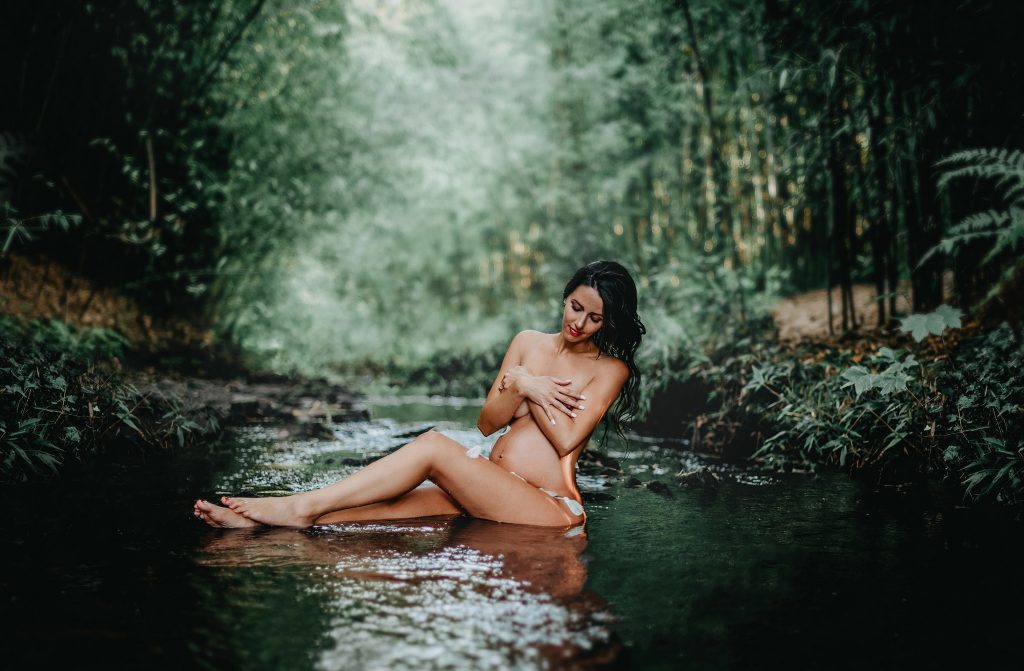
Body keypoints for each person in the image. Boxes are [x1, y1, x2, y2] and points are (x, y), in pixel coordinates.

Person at [193, 260, 645, 530]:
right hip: (494, 480)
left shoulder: (610, 369)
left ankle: (295, 506)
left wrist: (527, 386)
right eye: (575, 307)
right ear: (565, 297)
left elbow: (567, 439)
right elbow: (488, 423)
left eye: (595, 318)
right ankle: (259, 524)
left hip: (549, 505)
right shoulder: (528, 341)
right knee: (381, 509)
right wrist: (525, 383)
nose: (579, 323)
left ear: (609, 324)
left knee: (432, 446)